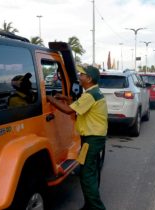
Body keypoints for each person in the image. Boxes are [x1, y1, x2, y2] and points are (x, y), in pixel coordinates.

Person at [47, 65, 107, 210]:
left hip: (91, 139)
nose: (79, 76)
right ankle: (89, 205)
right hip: (95, 138)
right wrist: (64, 98)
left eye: (82, 74)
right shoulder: (93, 92)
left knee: (86, 175)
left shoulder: (90, 95)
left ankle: (97, 207)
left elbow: (69, 110)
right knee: (92, 172)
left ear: (89, 78)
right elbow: (77, 105)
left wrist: (49, 98)